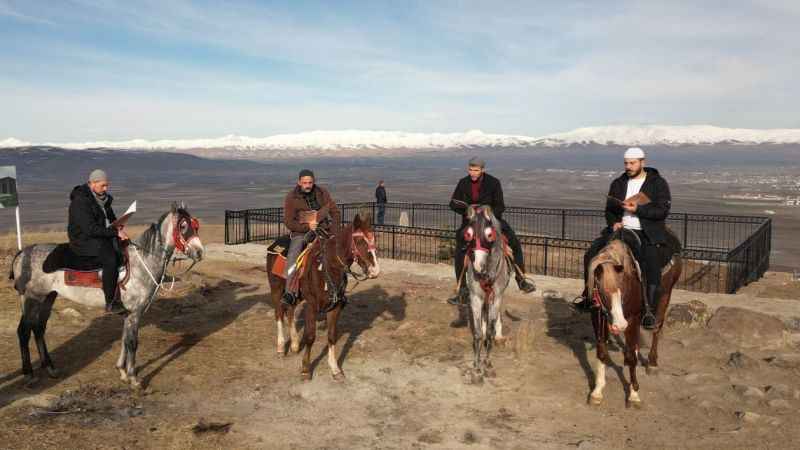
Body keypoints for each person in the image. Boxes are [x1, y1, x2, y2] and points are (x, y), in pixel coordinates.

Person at [573, 147, 672, 330]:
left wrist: (639, 209)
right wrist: (614, 223)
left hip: (645, 232)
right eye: (626, 163)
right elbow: (610, 210)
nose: (628, 166)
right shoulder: (618, 183)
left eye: (632, 163)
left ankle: (649, 311)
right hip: (621, 230)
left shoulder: (658, 183)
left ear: (642, 162)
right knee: (591, 255)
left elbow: (662, 210)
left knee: (651, 265)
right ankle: (588, 296)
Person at [448, 157, 536, 309]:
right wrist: (467, 210)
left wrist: (489, 214)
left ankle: (521, 279)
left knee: (514, 242)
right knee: (461, 248)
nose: (473, 173)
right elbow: (453, 203)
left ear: (482, 170)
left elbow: (501, 206)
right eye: (470, 169)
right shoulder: (463, 183)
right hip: (471, 222)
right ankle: (462, 291)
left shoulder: (494, 182)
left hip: (491, 221)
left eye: (476, 170)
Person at [67, 169, 129, 314]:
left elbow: (111, 218)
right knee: (110, 259)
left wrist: (118, 224)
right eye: (103, 186)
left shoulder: (103, 199)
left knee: (126, 248)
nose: (106, 189)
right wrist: (115, 232)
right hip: (83, 240)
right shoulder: (80, 202)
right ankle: (110, 302)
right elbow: (90, 229)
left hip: (99, 235)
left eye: (107, 185)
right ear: (92, 183)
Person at [281, 169, 341, 306]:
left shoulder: (322, 192)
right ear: (299, 182)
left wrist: (334, 231)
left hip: (324, 231)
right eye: (305, 183)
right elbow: (289, 222)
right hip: (301, 233)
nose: (308, 185)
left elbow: (335, 213)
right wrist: (308, 227)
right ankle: (290, 291)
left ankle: (339, 290)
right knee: (293, 256)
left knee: (338, 254)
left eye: (310, 182)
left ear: (314, 182)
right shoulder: (291, 197)